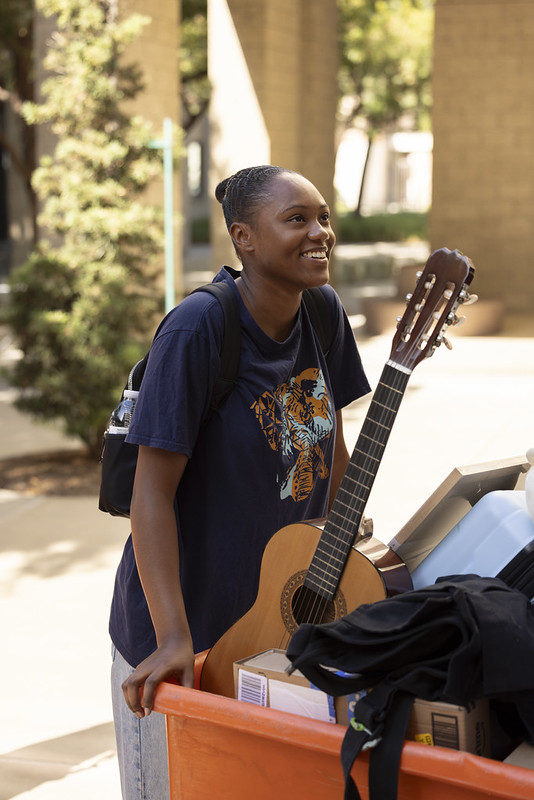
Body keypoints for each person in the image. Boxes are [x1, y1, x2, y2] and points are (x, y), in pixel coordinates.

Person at [109, 164, 371, 799]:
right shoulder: (199, 328)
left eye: (324, 218)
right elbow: (152, 492)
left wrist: (342, 544)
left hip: (276, 632)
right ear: (244, 238)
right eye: (297, 220)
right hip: (183, 635)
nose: (320, 233)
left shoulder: (322, 311)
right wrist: (174, 634)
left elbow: (329, 443)